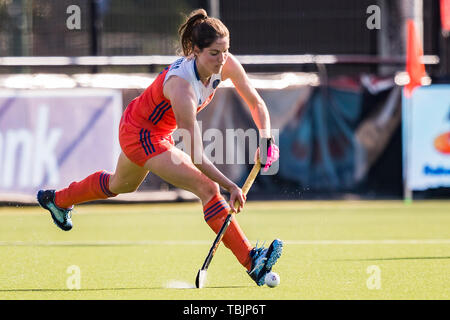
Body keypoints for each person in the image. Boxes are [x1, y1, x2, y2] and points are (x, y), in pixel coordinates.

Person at [37, 8, 282, 286]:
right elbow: (197, 156)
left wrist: (265, 139)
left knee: (120, 185)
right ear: (197, 52)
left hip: (146, 127)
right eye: (214, 53)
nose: (222, 59)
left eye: (225, 51)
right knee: (208, 188)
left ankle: (56, 200)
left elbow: (256, 102)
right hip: (141, 134)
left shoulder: (225, 64)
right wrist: (231, 186)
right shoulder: (182, 88)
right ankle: (253, 262)